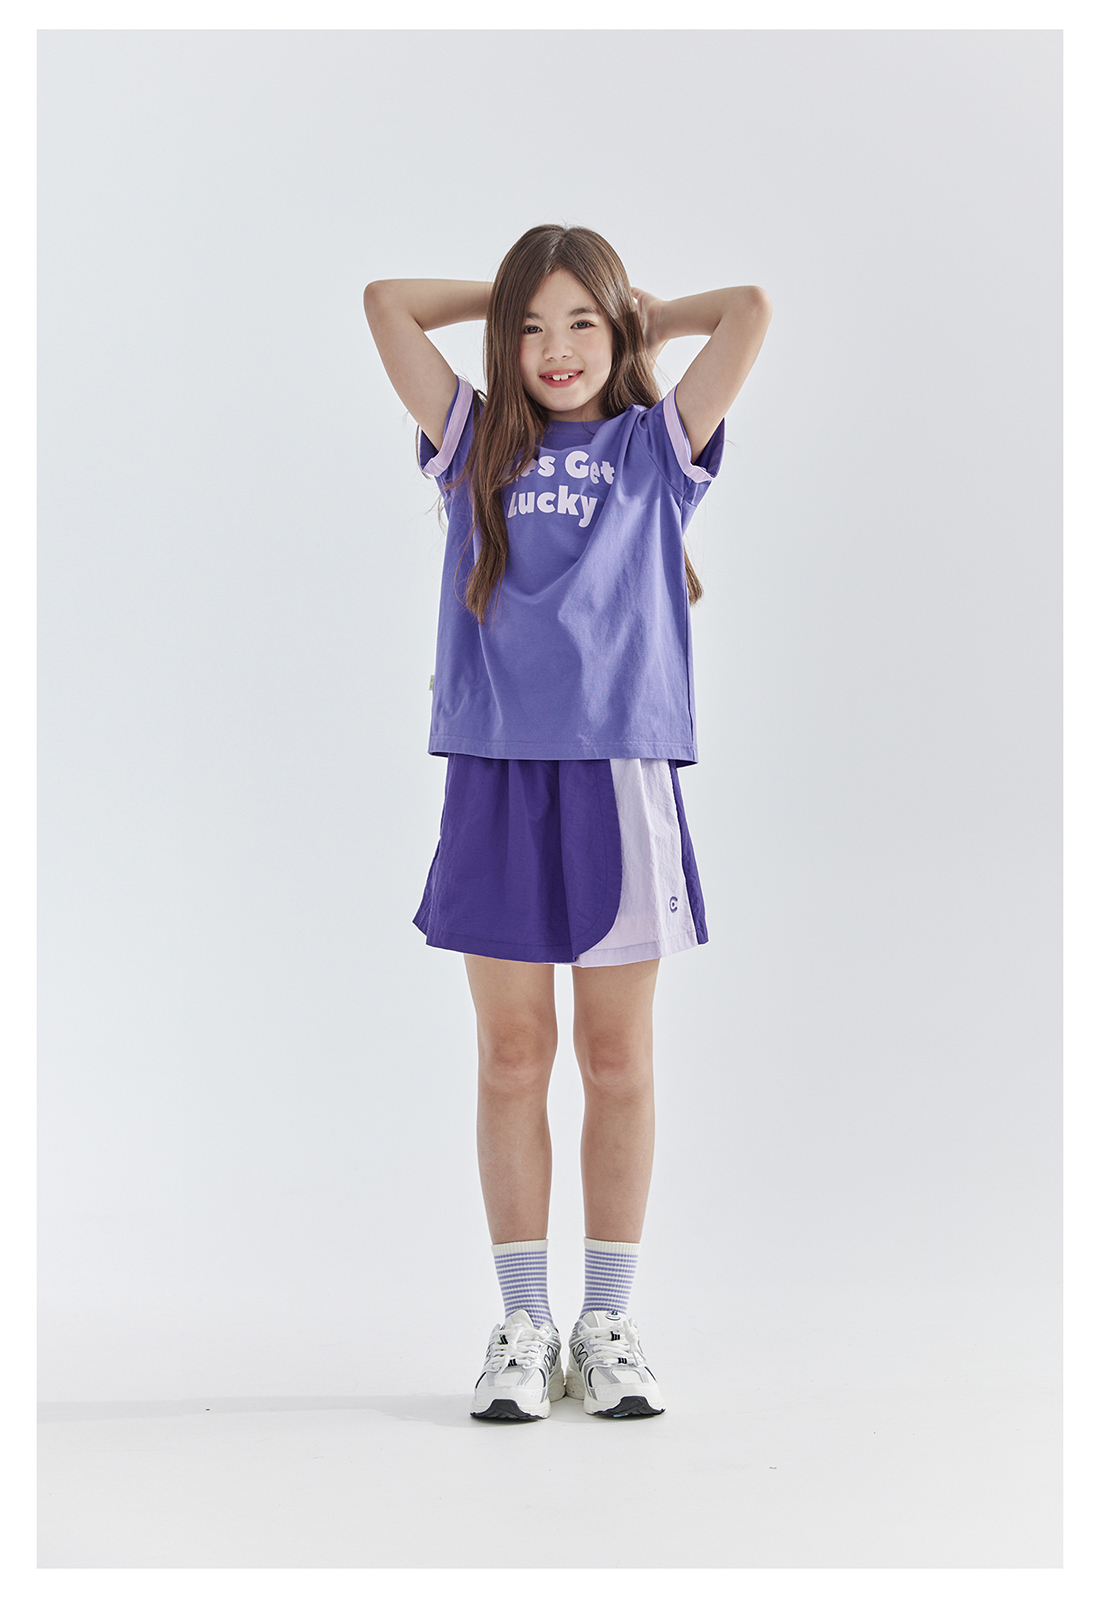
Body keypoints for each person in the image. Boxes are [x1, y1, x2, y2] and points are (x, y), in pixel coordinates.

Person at [363, 225, 771, 1422]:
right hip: (494, 776)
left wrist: (641, 313)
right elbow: (384, 301)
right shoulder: (473, 440)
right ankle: (523, 1322)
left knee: (614, 1057)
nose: (554, 347)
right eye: (530, 327)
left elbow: (748, 307)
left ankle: (606, 1321)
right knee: (509, 1054)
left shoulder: (655, 445)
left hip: (618, 776)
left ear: (614, 329)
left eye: (578, 323)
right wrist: (508, 298)